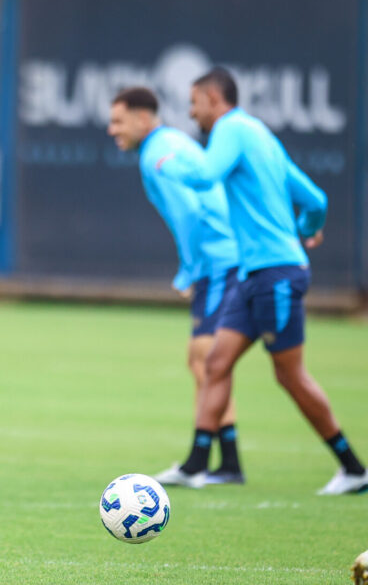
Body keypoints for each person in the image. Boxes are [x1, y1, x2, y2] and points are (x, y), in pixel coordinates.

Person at [154, 67, 367, 495]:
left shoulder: (231, 129)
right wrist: (308, 227)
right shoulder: (263, 138)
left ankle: (354, 468)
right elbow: (316, 199)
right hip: (253, 275)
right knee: (216, 363)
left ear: (214, 99)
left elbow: (205, 175)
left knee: (290, 375)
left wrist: (170, 163)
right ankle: (197, 464)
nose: (192, 113)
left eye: (194, 103)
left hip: (275, 276)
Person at [107, 87, 244, 485]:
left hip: (218, 261)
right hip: (225, 256)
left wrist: (190, 270)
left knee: (205, 358)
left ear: (143, 118)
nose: (112, 129)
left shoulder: (155, 153)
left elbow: (189, 214)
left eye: (118, 121)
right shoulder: (173, 141)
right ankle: (224, 461)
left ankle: (205, 462)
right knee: (207, 360)